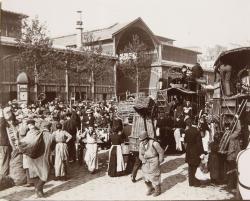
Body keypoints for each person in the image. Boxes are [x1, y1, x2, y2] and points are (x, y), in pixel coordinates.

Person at [19, 120, 52, 198]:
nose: (31, 126)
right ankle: (38, 191)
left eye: (32, 124)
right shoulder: (29, 134)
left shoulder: (40, 132)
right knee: (36, 175)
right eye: (29, 125)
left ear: (34, 124)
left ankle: (39, 190)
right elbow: (24, 142)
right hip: (32, 156)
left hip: (40, 155)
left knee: (44, 173)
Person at [139, 131, 164, 197]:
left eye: (144, 140)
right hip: (145, 161)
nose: (143, 141)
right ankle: (150, 188)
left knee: (154, 175)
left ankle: (158, 190)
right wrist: (142, 159)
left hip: (154, 160)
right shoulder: (141, 144)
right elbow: (140, 154)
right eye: (141, 140)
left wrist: (160, 160)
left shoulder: (154, 143)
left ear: (147, 138)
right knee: (144, 176)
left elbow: (161, 151)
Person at [184, 118, 204, 187]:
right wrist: (202, 152)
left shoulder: (186, 131)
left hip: (189, 151)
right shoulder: (196, 131)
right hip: (195, 150)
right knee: (195, 166)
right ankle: (196, 182)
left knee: (190, 167)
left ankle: (191, 182)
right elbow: (199, 143)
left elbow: (185, 142)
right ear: (192, 123)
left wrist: (186, 150)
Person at [0, 108, 11, 176]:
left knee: (4, 158)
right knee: (5, 159)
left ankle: (4, 173)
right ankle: (4, 175)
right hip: (4, 143)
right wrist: (2, 115)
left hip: (2, 143)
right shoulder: (2, 122)